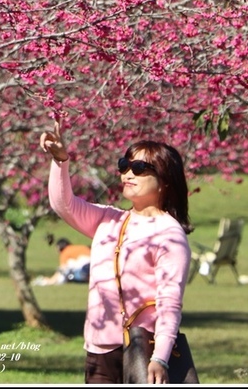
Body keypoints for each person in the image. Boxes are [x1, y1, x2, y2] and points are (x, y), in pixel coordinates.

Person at [40, 120, 193, 384]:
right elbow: (63, 204)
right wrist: (61, 161)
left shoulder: (169, 234)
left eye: (139, 168)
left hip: (143, 348)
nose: (128, 174)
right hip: (99, 347)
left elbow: (170, 302)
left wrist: (161, 357)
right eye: (125, 165)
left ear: (165, 180)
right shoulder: (108, 220)